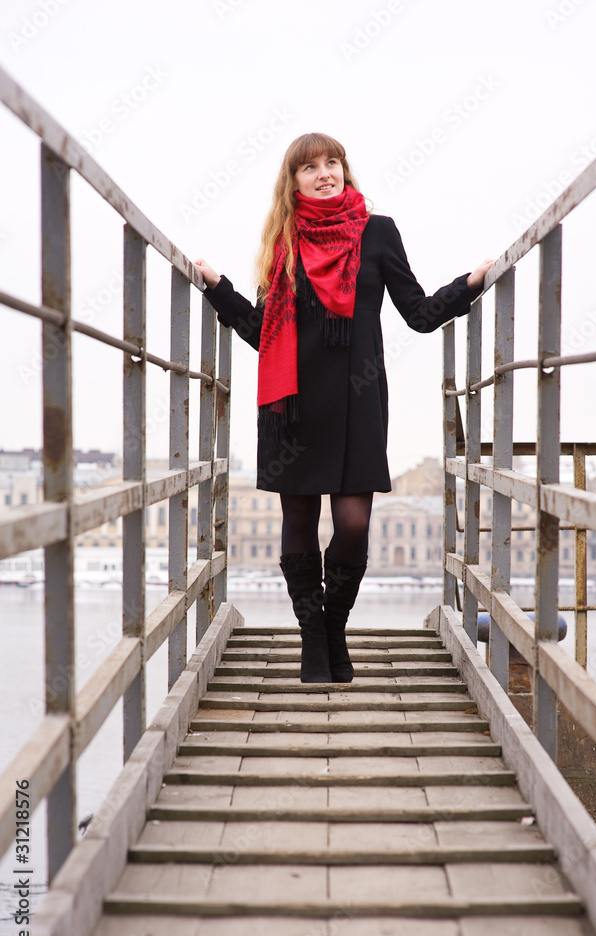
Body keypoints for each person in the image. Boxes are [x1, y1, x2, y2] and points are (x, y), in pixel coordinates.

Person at [194, 133, 493, 686]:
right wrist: (219, 289)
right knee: (299, 521)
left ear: (346, 171)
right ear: (294, 182)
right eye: (310, 167)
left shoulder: (378, 233)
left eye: (333, 162)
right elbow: (266, 332)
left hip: (359, 400)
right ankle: (313, 644)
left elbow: (420, 314)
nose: (325, 172)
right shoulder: (283, 243)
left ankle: (334, 629)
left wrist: (470, 285)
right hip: (295, 404)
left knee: (353, 523)